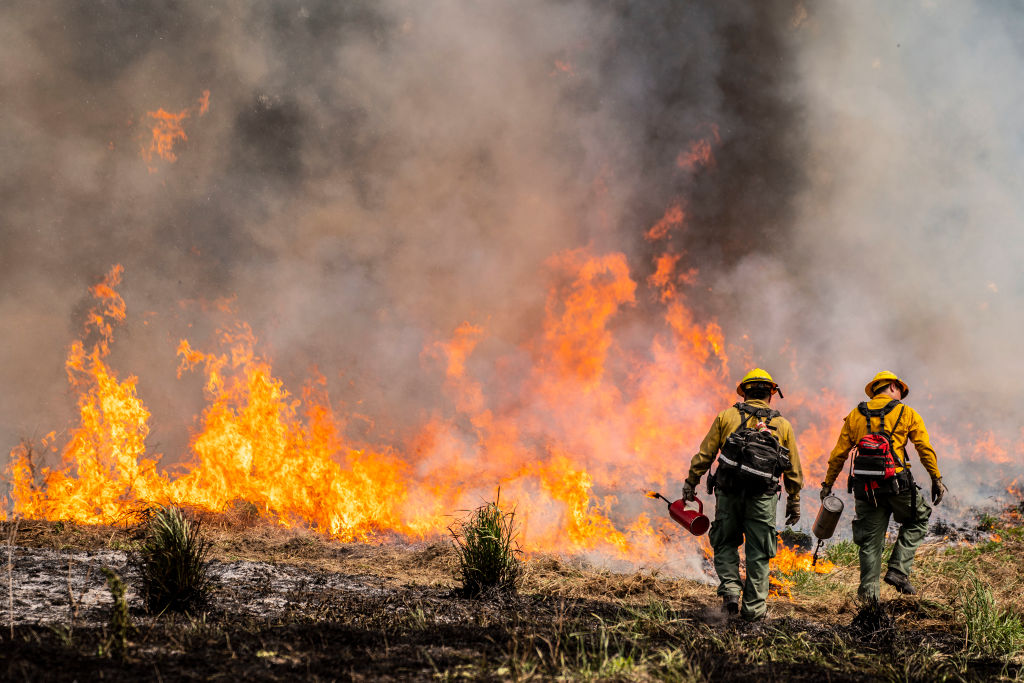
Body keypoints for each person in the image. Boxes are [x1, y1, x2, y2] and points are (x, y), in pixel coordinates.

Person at [682, 368, 803, 621]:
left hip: (728, 495)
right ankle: (753, 613)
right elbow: (792, 467)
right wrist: (794, 500)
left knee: (725, 543)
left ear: (745, 393)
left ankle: (730, 591)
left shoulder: (726, 416)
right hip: (762, 499)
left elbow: (705, 455)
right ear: (771, 393)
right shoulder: (782, 425)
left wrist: (691, 483)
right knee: (758, 553)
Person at [820, 371, 946, 601]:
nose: (901, 395)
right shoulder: (907, 413)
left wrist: (828, 484)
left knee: (870, 542)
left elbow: (838, 454)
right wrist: (936, 478)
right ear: (891, 387)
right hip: (898, 485)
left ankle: (869, 599)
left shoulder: (855, 415)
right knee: (919, 518)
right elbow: (924, 448)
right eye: (899, 390)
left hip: (866, 488)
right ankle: (898, 570)